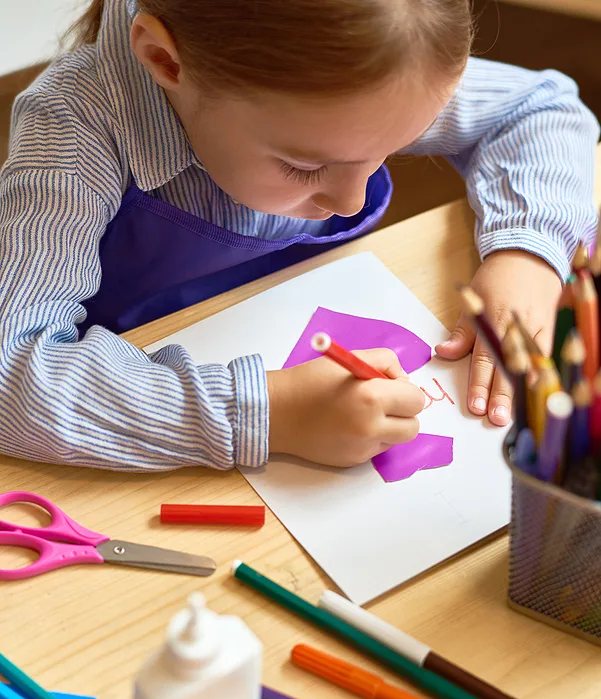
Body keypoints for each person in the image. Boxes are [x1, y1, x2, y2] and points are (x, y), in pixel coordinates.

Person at [0, 0, 598, 472]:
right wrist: (269, 413)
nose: (353, 200)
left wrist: (526, 250)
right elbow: (12, 376)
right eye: (307, 167)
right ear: (166, 63)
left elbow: (540, 109)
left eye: (386, 152)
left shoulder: (377, 62)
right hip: (144, 416)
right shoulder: (71, 129)